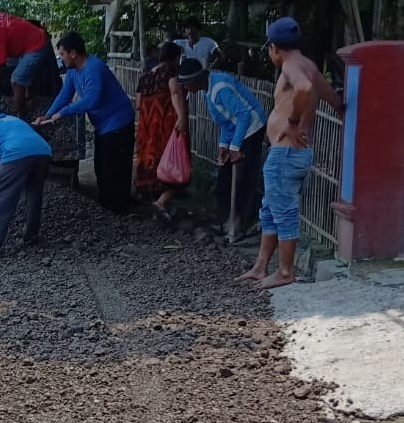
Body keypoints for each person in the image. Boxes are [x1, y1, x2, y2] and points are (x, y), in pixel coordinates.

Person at [236, 17, 345, 289]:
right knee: (270, 210)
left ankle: (285, 272)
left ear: (273, 47)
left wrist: (294, 123)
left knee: (282, 212)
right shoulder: (310, 66)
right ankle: (261, 266)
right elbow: (334, 100)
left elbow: (305, 89)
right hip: (292, 155)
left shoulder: (290, 66)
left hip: (285, 155)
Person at [36, 31, 136, 215]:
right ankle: (108, 207)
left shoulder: (94, 68)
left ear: (73, 53)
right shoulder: (74, 71)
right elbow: (65, 94)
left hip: (118, 123)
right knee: (101, 166)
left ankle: (119, 209)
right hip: (104, 126)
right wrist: (48, 114)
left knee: (115, 169)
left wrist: (63, 112)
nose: (61, 58)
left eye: (63, 54)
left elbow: (92, 99)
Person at [176, 58, 266, 239]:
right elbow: (225, 122)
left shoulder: (219, 89)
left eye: (186, 84)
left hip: (252, 127)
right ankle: (228, 218)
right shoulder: (207, 91)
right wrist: (224, 146)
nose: (185, 88)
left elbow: (243, 115)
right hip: (238, 128)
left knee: (244, 177)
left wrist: (235, 146)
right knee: (225, 176)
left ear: (195, 79)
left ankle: (243, 221)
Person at [0, 98, 53, 262]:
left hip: (17, 153)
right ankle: (31, 236)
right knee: (34, 192)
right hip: (44, 151)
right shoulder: (12, 119)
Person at [134, 42, 189, 221]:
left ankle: (158, 204)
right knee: (173, 160)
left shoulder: (145, 76)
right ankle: (162, 203)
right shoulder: (172, 71)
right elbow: (175, 93)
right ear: (175, 56)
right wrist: (181, 116)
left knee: (153, 160)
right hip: (165, 123)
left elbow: (137, 103)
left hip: (147, 126)